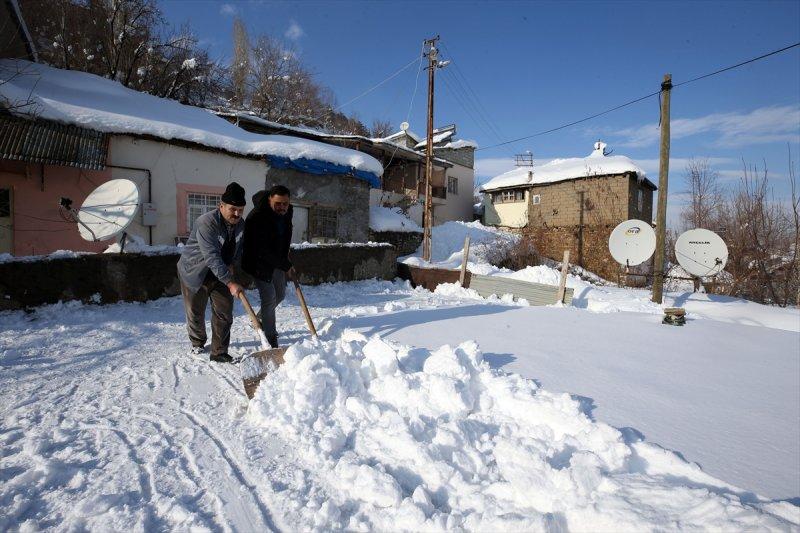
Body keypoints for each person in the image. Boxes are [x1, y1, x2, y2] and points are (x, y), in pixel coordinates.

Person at [176, 182, 246, 363]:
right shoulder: (206, 223)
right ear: (221, 206)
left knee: (225, 311)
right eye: (233, 209)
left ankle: (219, 351)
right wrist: (230, 282)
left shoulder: (240, 225)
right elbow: (212, 256)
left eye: (241, 209)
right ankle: (198, 342)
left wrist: (231, 264)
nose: (237, 214)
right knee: (195, 311)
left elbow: (238, 248)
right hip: (195, 271)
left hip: (220, 272)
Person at [242, 184, 295, 348]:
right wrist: (285, 265)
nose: (282, 207)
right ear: (269, 199)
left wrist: (286, 260)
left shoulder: (288, 211)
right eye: (278, 203)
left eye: (285, 203)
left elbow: (284, 236)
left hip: (277, 261)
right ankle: (271, 338)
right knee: (269, 298)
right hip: (258, 262)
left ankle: (259, 317)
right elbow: (261, 249)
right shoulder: (257, 216)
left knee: (280, 294)